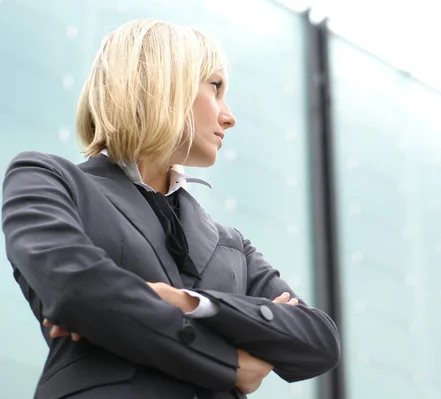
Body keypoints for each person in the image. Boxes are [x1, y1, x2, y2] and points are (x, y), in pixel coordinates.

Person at [2, 19, 340, 399]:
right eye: (215, 87)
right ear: (164, 83)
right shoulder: (46, 179)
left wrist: (191, 302)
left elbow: (318, 341)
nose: (229, 116)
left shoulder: (232, 245)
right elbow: (78, 291)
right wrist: (230, 362)